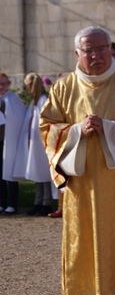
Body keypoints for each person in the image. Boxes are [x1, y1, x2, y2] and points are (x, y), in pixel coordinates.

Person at [40, 26, 115, 295]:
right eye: (89, 50)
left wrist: (111, 128)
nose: (96, 55)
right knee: (85, 248)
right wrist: (77, 131)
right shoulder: (64, 88)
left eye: (102, 49)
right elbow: (47, 128)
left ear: (111, 49)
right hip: (82, 187)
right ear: (76, 53)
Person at [21, 73, 53, 216]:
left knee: (43, 171)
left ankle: (46, 202)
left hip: (41, 143)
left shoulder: (43, 100)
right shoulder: (35, 102)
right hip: (35, 143)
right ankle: (38, 201)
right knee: (36, 171)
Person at [0, 73, 26, 215]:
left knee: (9, 172)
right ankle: (1, 202)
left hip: (9, 140)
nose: (1, 86)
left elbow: (19, 118)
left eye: (4, 83)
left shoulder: (13, 99)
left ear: (9, 84)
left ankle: (12, 203)